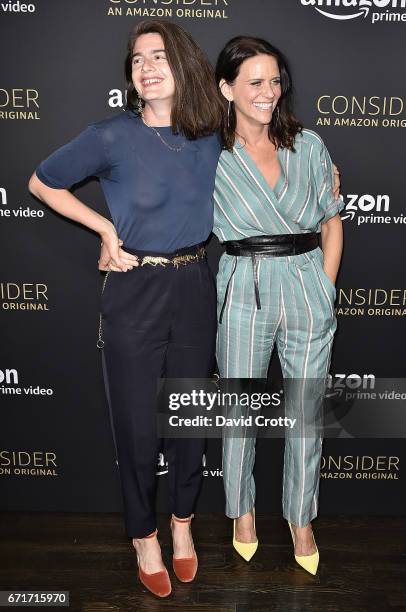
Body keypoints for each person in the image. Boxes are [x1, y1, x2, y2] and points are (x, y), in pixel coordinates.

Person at [28, 20, 223, 598]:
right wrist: (104, 228)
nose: (147, 68)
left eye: (159, 56)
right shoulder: (110, 135)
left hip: (194, 286)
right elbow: (42, 183)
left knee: (190, 417)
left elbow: (268, 141)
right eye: (137, 60)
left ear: (184, 65)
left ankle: (183, 528)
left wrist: (323, 173)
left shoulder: (213, 133)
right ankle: (144, 536)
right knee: (137, 425)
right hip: (134, 289)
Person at [213, 36, 344, 575]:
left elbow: (331, 221)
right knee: (240, 409)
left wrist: (324, 290)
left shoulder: (307, 145)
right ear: (226, 88)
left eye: (275, 80)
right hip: (243, 283)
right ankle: (241, 512)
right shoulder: (206, 152)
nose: (269, 92)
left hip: (305, 281)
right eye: (254, 82)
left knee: (306, 413)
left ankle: (300, 518)